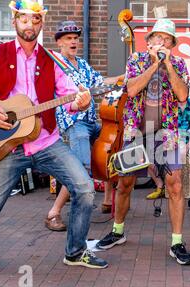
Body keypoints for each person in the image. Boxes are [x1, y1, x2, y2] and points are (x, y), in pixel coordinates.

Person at [0, 0, 108, 270]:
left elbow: (68, 95)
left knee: (84, 188)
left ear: (41, 23)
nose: (29, 25)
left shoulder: (52, 59)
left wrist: (80, 102)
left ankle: (75, 251)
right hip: (8, 146)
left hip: (46, 141)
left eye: (35, 20)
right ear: (14, 22)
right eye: (24, 19)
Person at [96, 19, 190, 265]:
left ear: (173, 44)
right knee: (125, 184)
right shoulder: (136, 61)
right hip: (136, 133)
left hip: (166, 135)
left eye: (167, 39)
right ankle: (117, 231)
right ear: (149, 41)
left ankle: (176, 242)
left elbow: (182, 95)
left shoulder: (179, 64)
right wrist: (153, 65)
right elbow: (131, 90)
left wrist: (168, 66)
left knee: (175, 186)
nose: (161, 42)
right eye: (157, 38)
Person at [45, 20, 119, 231]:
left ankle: (106, 200)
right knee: (81, 169)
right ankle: (54, 213)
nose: (73, 41)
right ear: (59, 43)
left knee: (108, 153)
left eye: (76, 38)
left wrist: (123, 78)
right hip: (74, 123)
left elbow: (99, 83)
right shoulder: (54, 64)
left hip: (89, 121)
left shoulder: (83, 64)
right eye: (68, 38)